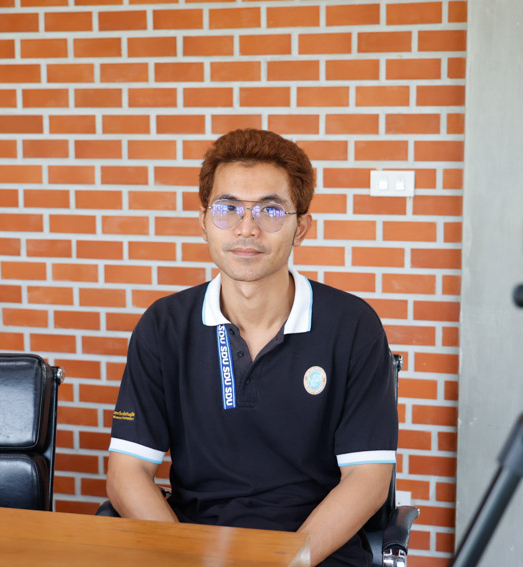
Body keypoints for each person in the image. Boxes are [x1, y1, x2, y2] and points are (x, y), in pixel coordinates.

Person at [106, 128, 398, 567]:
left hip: (314, 552)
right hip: (191, 547)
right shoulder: (164, 326)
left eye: (270, 210)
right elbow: (127, 472)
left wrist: (289, 561)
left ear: (301, 228)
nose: (247, 228)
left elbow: (368, 479)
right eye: (227, 209)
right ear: (204, 222)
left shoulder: (353, 326)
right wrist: (183, 557)